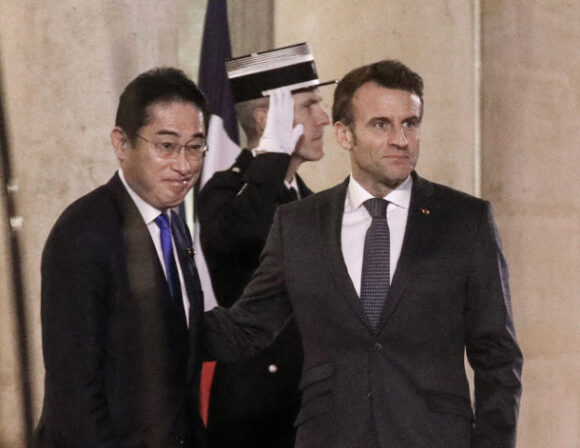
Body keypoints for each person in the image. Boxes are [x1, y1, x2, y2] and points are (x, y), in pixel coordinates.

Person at [204, 60, 523, 448]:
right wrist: (155, 312)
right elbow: (245, 328)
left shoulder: (465, 220)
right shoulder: (298, 223)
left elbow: (498, 357)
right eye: (381, 124)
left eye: (410, 123)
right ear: (344, 134)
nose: (401, 139)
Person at [34, 68, 210, 448]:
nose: (184, 165)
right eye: (166, 146)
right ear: (121, 142)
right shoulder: (83, 232)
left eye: (195, 147)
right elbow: (75, 391)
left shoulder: (174, 225)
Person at [198, 43, 333, 448]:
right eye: (309, 106)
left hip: (305, 408)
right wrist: (270, 159)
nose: (324, 118)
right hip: (252, 413)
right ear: (266, 119)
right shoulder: (225, 190)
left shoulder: (310, 201)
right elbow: (245, 232)